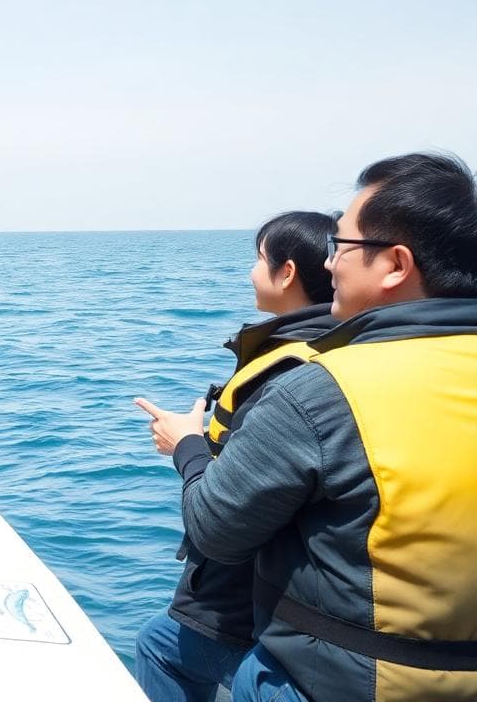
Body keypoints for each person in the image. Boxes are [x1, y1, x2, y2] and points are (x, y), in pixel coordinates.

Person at [142, 153, 477, 702]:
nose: (330, 266)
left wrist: (188, 448)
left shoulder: (319, 391)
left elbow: (216, 530)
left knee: (183, 650)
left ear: (394, 264)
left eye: (340, 247)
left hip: (356, 682)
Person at [131, 211, 338, 701]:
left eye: (259, 258)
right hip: (307, 601)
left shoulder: (286, 372)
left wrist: (185, 444)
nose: (250, 271)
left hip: (245, 601)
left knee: (160, 645)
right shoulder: (337, 350)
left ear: (286, 272)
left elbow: (225, 519)